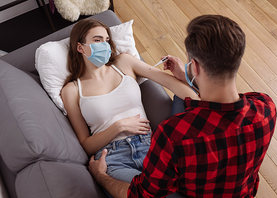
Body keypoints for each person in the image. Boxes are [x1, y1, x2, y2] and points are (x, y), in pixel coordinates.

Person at [88, 15, 277, 198]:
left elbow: (142, 195)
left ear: (194, 66)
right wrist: (188, 79)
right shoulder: (266, 107)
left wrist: (101, 177)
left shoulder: (173, 134)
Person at [61, 18, 198, 185]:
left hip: (150, 145)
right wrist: (120, 126)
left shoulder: (123, 62)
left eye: (106, 40)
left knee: (185, 97)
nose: (104, 45)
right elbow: (86, 145)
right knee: (149, 191)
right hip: (114, 159)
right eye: (97, 40)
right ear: (80, 47)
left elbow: (170, 82)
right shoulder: (72, 90)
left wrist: (202, 100)